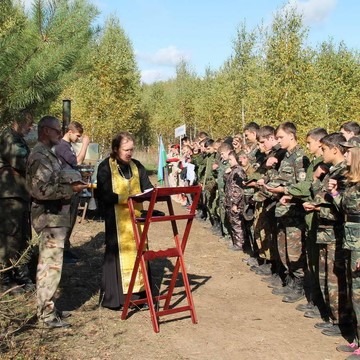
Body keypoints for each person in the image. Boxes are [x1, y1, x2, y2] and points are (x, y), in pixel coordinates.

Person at [26, 115, 87, 328]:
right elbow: (40, 191)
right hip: (48, 219)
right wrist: (72, 189)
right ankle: (45, 316)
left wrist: (70, 180)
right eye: (56, 131)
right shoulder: (39, 156)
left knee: (54, 267)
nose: (60, 134)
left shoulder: (48, 154)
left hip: (55, 217)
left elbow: (53, 181)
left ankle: (49, 307)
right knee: (49, 269)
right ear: (45, 131)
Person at [97, 131, 153, 310]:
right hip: (117, 222)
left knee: (139, 255)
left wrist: (152, 194)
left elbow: (147, 188)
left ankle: (141, 296)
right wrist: (126, 198)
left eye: (132, 150)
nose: (129, 153)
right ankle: (118, 299)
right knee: (118, 257)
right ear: (115, 149)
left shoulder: (137, 166)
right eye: (125, 150)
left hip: (137, 221)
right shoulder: (106, 167)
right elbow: (103, 194)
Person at [265, 122, 309, 303]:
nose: (278, 141)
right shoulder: (285, 156)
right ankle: (290, 280)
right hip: (282, 211)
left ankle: (299, 285)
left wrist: (284, 191)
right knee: (283, 249)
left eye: (281, 137)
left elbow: (302, 187)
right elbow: (280, 180)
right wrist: (271, 170)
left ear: (292, 136)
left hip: (294, 213)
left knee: (294, 251)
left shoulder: (300, 157)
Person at [329, 138, 360, 358]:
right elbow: (345, 208)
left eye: (348, 152)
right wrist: (335, 194)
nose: (345, 155)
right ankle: (357, 340)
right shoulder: (353, 181)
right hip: (351, 242)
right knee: (354, 291)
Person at [0, 109, 35, 294]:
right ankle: (5, 279)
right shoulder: (8, 136)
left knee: (23, 238)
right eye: (29, 123)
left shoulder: (18, 138)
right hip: (10, 195)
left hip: (20, 193)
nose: (30, 128)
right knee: (10, 237)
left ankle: (21, 275)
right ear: (18, 122)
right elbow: (20, 161)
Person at [54, 121, 90, 263]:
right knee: (65, 221)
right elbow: (76, 161)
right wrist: (85, 144)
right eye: (77, 136)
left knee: (71, 220)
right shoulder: (62, 146)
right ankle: (61, 252)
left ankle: (66, 249)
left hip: (72, 189)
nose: (79, 138)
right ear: (69, 132)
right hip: (66, 190)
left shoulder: (68, 146)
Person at [224, 151, 246, 251]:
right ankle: (236, 242)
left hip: (235, 203)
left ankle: (239, 244)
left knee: (237, 224)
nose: (229, 162)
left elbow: (238, 189)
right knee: (233, 222)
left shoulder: (238, 171)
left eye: (231, 159)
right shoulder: (233, 171)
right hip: (230, 201)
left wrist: (235, 204)